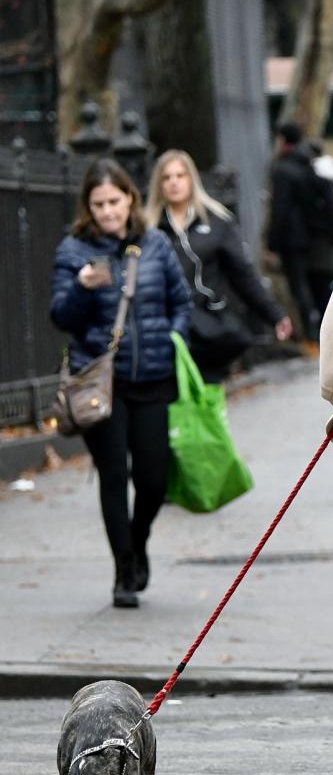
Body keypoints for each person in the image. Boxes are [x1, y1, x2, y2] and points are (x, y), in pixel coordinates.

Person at [50, 159, 192, 609]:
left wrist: (172, 340)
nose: (108, 212)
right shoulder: (74, 250)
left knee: (152, 479)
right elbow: (61, 317)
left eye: (114, 201)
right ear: (87, 208)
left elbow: (181, 302)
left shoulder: (154, 244)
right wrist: (81, 287)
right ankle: (123, 571)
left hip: (152, 376)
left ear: (130, 198)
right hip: (101, 382)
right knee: (114, 476)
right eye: (98, 205)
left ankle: (138, 537)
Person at [145, 150, 292, 383]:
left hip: (209, 329)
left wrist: (274, 314)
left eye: (180, 175)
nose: (174, 182)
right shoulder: (148, 229)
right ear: (158, 184)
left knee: (208, 402)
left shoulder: (216, 221)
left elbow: (243, 273)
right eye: (167, 177)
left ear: (191, 179)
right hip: (166, 331)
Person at [267, 122, 333, 341]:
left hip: (291, 238)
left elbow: (280, 208)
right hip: (314, 237)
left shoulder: (283, 169)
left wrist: (272, 243)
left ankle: (310, 335)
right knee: (317, 287)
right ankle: (327, 332)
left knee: (298, 287)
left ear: (283, 141)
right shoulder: (308, 165)